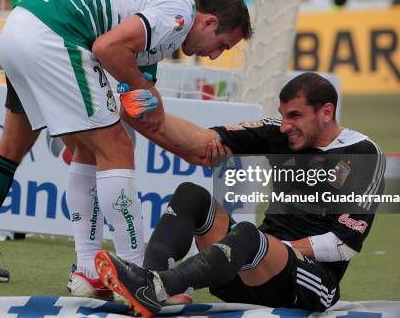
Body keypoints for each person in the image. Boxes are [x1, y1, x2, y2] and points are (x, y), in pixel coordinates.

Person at [0, 0, 241, 293]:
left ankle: (72, 263)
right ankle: (137, 276)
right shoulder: (178, 5)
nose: (214, 56)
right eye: (221, 46)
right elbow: (110, 50)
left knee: (74, 147)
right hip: (58, 36)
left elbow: (129, 75)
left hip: (24, 24)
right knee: (116, 147)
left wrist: (145, 96)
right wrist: (152, 98)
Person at [94, 72, 384, 317]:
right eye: (283, 115)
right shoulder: (278, 133)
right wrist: (146, 115)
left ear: (327, 112)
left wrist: (273, 246)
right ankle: (152, 288)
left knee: (247, 235)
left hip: (312, 284)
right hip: (252, 266)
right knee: (191, 196)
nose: (285, 126)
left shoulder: (362, 154)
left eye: (295, 116)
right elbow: (204, 143)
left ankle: (160, 285)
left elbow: (342, 246)